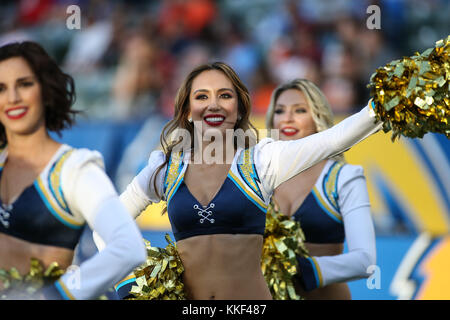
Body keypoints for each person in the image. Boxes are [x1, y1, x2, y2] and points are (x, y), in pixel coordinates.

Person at [114, 61, 382, 300]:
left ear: (240, 109)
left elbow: (334, 139)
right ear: (186, 110)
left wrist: (383, 104)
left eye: (225, 95)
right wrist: (127, 280)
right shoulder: (164, 167)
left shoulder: (262, 160)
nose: (214, 104)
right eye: (202, 96)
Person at [0, 41, 146, 300]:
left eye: (24, 84)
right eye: (1, 88)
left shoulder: (74, 169)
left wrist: (53, 295)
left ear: (45, 90)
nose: (12, 98)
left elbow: (128, 248)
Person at [265, 78, 376, 299]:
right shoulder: (256, 177)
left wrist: (301, 269)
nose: (287, 118)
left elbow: (365, 261)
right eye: (279, 111)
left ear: (318, 118)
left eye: (299, 110)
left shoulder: (343, 177)